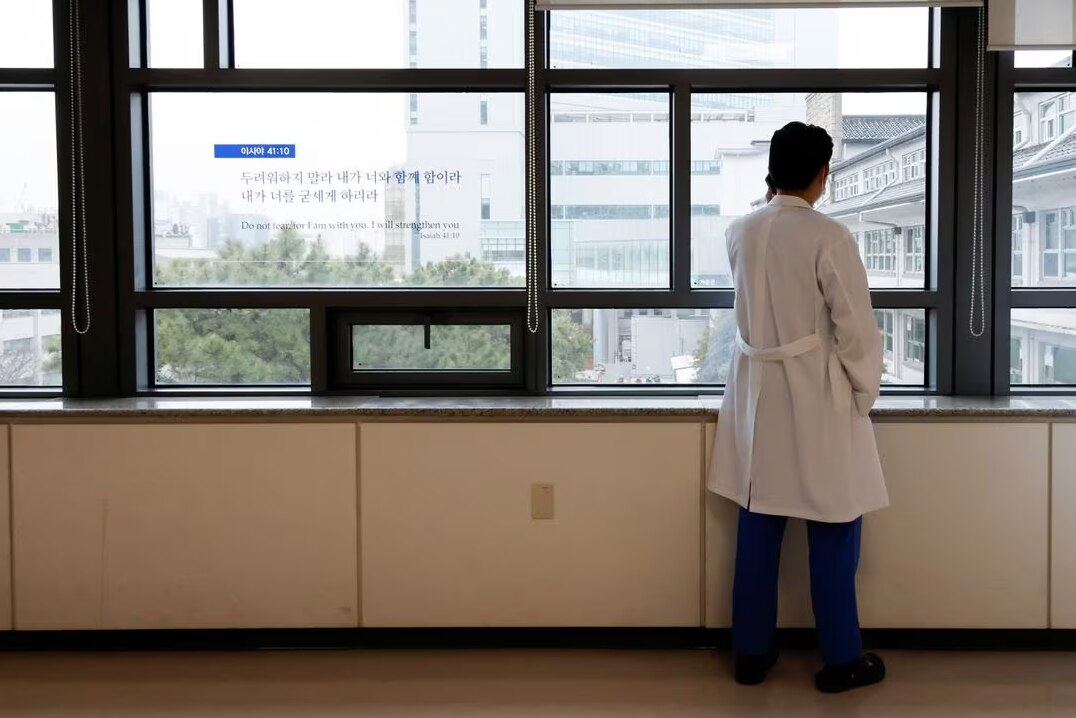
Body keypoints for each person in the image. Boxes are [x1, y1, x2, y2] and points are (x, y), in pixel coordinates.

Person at [708, 122, 888, 694]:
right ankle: (841, 659)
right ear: (821, 174)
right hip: (813, 392)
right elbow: (855, 327)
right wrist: (864, 390)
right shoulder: (829, 236)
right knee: (835, 523)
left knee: (758, 521)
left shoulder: (741, 230)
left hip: (756, 393)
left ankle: (751, 655)